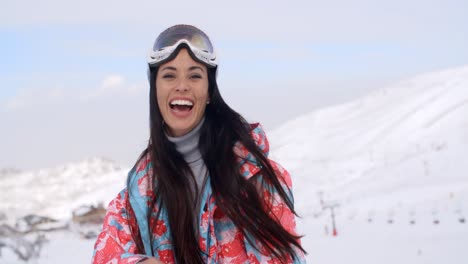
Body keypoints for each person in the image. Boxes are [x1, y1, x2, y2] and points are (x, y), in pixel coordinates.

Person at [92, 24, 306, 264]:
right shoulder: (141, 189)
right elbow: (105, 254)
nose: (181, 85)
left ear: (210, 92)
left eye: (194, 75)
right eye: (169, 75)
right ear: (155, 89)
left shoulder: (253, 178)